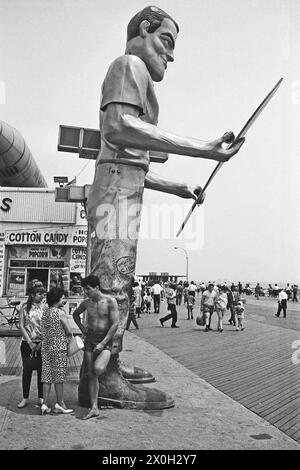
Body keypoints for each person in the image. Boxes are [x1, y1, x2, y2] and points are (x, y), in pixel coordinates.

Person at [85, 5, 244, 405]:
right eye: (166, 41)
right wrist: (203, 147)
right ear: (144, 29)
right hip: (116, 195)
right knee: (111, 288)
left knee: (117, 284)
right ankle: (103, 383)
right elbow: (117, 127)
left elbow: (129, 164)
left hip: (119, 186)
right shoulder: (127, 65)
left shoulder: (137, 77)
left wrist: (179, 187)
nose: (170, 55)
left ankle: (110, 367)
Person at [72, 275, 119, 419]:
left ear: (97, 287)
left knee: (98, 369)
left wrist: (103, 343)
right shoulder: (86, 303)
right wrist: (82, 328)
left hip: (105, 341)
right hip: (90, 339)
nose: (86, 292)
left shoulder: (110, 301)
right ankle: (94, 407)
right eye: (84, 289)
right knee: (91, 374)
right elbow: (75, 314)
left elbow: (115, 324)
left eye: (88, 289)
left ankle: (98, 400)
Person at [41, 287, 73, 415]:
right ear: (57, 299)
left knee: (47, 376)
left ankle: (45, 404)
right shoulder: (60, 313)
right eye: (62, 298)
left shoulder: (46, 312)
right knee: (58, 378)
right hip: (58, 348)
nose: (64, 300)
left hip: (46, 347)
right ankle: (60, 403)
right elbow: (69, 331)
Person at [17, 286, 46, 409]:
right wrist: (29, 342)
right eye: (40, 294)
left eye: (43, 294)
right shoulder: (24, 307)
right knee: (27, 370)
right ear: (33, 295)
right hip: (27, 343)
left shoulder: (45, 308)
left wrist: (41, 342)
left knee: (41, 371)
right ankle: (25, 398)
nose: (42, 296)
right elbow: (21, 326)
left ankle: (41, 397)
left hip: (41, 343)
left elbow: (47, 326)